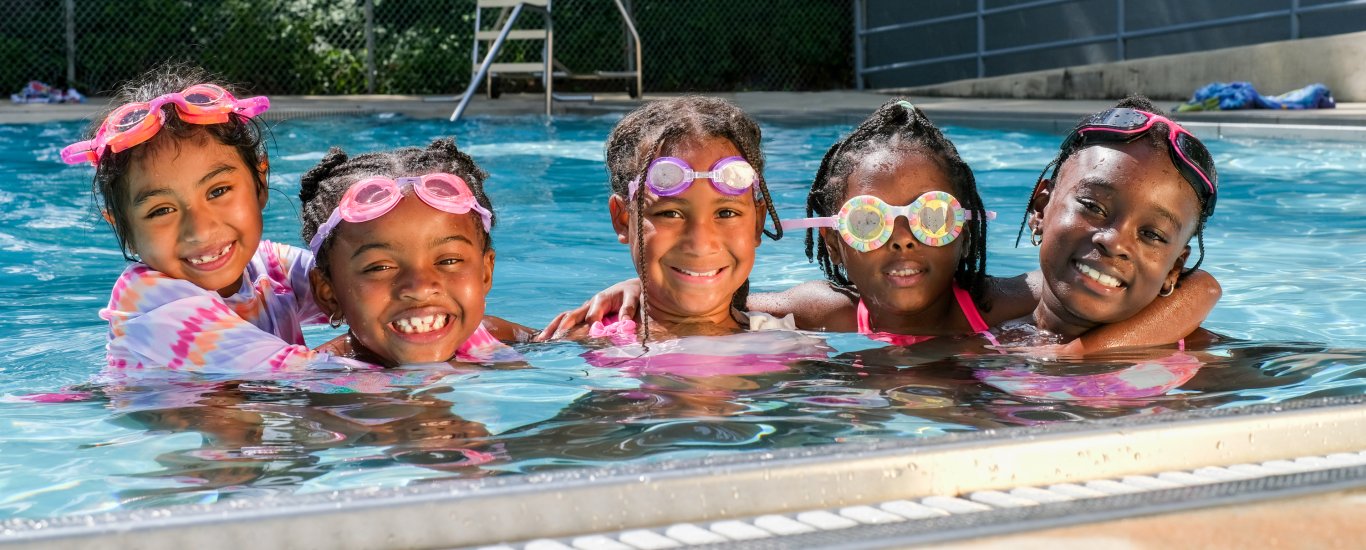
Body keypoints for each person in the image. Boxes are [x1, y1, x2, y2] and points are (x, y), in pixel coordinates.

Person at [546, 99, 1219, 353]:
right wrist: (638, 285)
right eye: (870, 221)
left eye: (929, 217)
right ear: (834, 235)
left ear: (960, 226)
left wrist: (1192, 294)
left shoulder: (1004, 306)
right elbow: (718, 299)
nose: (903, 238)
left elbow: (1192, 294)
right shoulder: (828, 313)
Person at [66, 63, 324, 371]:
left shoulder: (267, 265)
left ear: (260, 181)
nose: (200, 230)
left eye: (218, 192)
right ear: (125, 228)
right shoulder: (150, 303)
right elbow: (306, 376)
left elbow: (359, 284)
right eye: (161, 210)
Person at [564, 95, 793, 343]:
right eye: (670, 214)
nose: (700, 244)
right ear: (623, 219)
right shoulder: (589, 340)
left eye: (726, 213)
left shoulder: (789, 344)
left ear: (758, 223)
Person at [1007, 95, 1219, 346]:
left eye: (1151, 234)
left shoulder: (1204, 363)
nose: (1114, 242)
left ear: (1173, 270)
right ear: (1041, 209)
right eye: (1093, 207)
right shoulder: (980, 343)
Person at [298, 138, 527, 367]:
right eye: (380, 267)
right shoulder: (320, 377)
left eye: (448, 260)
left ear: (485, 273)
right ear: (329, 294)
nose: (420, 288)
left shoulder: (493, 335)